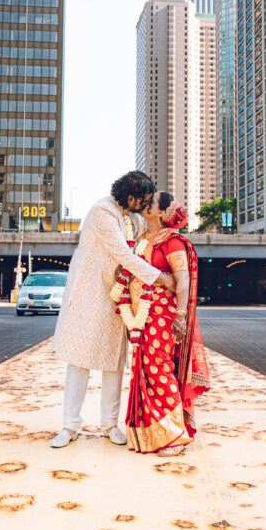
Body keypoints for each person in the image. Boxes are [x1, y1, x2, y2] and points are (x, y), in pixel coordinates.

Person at [51, 171, 177, 449]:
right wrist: (161, 278)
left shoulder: (131, 217)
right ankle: (70, 425)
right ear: (129, 196)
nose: (145, 206)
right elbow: (124, 254)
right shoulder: (102, 212)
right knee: (79, 358)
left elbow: (149, 237)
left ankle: (110, 424)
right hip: (89, 291)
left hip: (117, 297)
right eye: (142, 200)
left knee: (115, 360)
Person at [123, 193, 210, 456]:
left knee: (159, 368)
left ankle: (176, 436)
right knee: (146, 370)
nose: (146, 202)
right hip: (141, 317)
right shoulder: (141, 240)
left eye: (152, 201)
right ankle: (154, 434)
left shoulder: (172, 242)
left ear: (161, 213)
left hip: (163, 316)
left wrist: (181, 315)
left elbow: (182, 280)